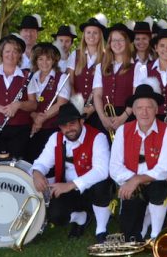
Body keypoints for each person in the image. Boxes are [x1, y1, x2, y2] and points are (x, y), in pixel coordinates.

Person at [31, 97, 112, 241]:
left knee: (102, 185)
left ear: (82, 121)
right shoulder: (55, 138)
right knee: (54, 215)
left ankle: (101, 229)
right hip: (67, 190)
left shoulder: (98, 137)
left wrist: (71, 185)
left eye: (72, 123)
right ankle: (82, 217)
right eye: (64, 125)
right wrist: (37, 173)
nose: (68, 129)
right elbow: (41, 163)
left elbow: (102, 170)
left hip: (91, 190)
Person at [109, 83, 167, 241]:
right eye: (140, 108)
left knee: (158, 187)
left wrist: (138, 179)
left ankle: (156, 235)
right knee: (129, 235)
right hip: (131, 182)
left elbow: (165, 168)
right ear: (133, 111)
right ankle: (144, 219)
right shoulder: (122, 131)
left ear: (156, 110)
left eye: (149, 107)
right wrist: (132, 180)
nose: (144, 112)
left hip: (157, 183)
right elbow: (114, 167)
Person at [0, 35, 33, 161]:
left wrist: (18, 105)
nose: (11, 55)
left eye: (15, 51)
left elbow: (33, 104)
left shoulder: (27, 76)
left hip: (20, 130)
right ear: (1, 53)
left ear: (20, 55)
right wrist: (2, 109)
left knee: (17, 168)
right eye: (7, 51)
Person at [26, 42, 72, 161]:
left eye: (48, 59)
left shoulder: (61, 77)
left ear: (54, 61)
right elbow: (30, 102)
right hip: (32, 126)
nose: (44, 63)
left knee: (51, 161)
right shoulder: (31, 77)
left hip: (53, 128)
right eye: (40, 59)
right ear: (36, 61)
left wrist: (42, 118)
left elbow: (61, 102)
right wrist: (35, 116)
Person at [92, 22, 137, 138]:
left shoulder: (138, 67)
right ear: (109, 44)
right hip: (104, 118)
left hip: (128, 116)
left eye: (121, 40)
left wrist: (123, 117)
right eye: (113, 40)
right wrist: (103, 118)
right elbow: (97, 95)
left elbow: (136, 95)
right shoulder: (100, 67)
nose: (117, 44)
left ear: (127, 43)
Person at [73, 15, 107, 123]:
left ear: (100, 36)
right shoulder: (75, 54)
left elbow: (106, 85)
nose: (91, 35)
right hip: (76, 109)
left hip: (98, 110)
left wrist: (90, 108)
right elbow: (69, 82)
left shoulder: (107, 56)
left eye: (95, 33)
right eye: (88, 32)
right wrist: (78, 106)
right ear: (84, 35)